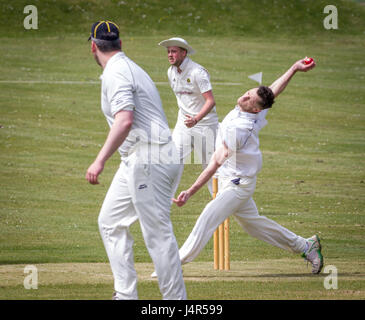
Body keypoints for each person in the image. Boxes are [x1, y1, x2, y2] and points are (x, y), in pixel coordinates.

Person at [172, 57, 324, 274]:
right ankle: (305, 245)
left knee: (208, 218)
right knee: (253, 225)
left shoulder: (241, 129)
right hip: (232, 177)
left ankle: (172, 263)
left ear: (255, 109)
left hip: (237, 184)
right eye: (248, 92)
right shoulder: (253, 109)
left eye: (249, 98)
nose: (243, 96)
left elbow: (215, 161)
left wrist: (190, 191)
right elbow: (273, 91)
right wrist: (294, 68)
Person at [85, 21, 186, 300]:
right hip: (139, 158)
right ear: (120, 44)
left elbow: (125, 120)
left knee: (157, 234)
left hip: (150, 157)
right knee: (110, 221)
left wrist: (99, 160)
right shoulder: (125, 67)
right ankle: (126, 294)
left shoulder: (117, 72)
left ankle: (176, 302)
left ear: (93, 46)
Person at [158, 37, 219, 195]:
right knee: (172, 160)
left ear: (184, 53)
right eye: (168, 52)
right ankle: (165, 199)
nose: (170, 55)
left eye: (174, 51)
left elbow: (210, 101)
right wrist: (188, 119)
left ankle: (220, 202)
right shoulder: (170, 72)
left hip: (205, 126)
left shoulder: (198, 72)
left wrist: (196, 118)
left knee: (211, 166)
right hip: (184, 124)